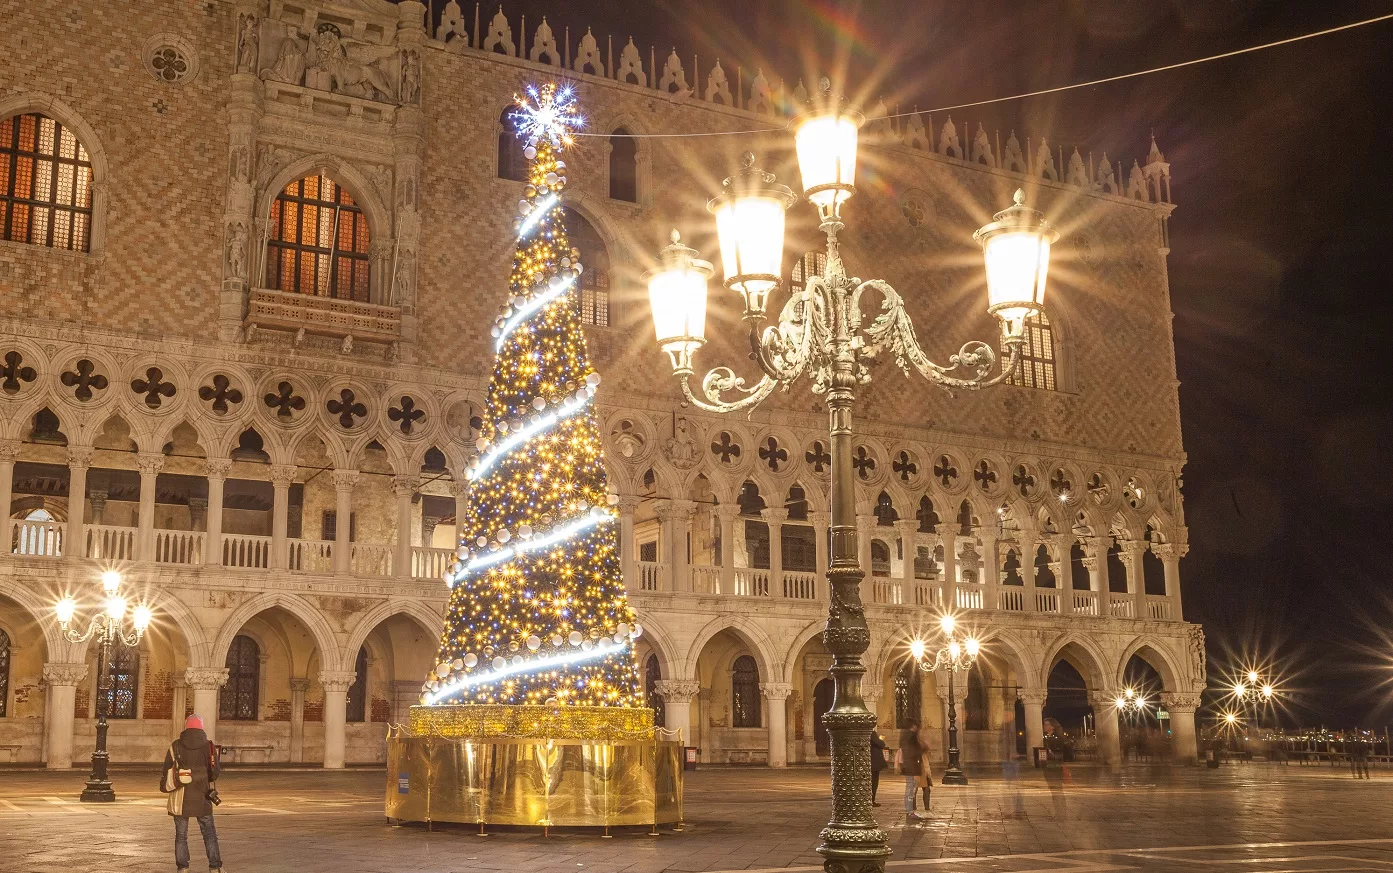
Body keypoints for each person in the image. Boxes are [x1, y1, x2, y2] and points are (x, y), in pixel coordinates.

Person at [162, 714, 223, 873]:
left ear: (186, 727)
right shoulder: (209, 746)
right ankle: (215, 867)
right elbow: (214, 774)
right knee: (209, 833)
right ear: (201, 727)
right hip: (203, 796)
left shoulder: (175, 746)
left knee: (181, 835)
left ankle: (183, 867)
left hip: (180, 798)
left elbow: (166, 771)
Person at [898, 720, 925, 820]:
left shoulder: (904, 736)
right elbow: (914, 753)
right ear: (914, 726)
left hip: (908, 766)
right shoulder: (911, 737)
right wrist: (924, 747)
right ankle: (910, 811)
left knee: (910, 789)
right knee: (910, 790)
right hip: (912, 767)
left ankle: (910, 810)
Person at [870, 731, 888, 807]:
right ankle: (871, 800)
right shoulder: (871, 732)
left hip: (870, 763)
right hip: (874, 764)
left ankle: (870, 800)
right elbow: (881, 744)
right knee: (873, 783)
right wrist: (880, 739)